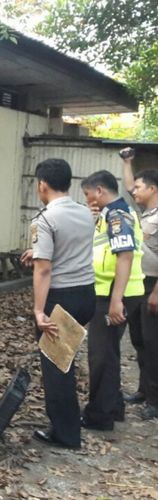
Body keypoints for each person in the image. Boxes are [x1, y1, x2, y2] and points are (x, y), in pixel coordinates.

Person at [21, 159, 95, 448]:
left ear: (43, 184)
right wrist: (36, 251)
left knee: (56, 368)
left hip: (61, 299)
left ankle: (66, 434)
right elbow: (69, 247)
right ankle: (69, 422)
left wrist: (39, 311)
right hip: (86, 295)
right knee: (66, 360)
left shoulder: (44, 219)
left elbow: (44, 270)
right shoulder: (85, 213)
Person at [80, 170, 144, 430]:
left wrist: (116, 300)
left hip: (115, 294)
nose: (87, 200)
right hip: (112, 291)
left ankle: (100, 416)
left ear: (99, 191)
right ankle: (114, 407)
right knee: (109, 353)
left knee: (101, 356)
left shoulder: (118, 214)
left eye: (87, 194)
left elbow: (125, 256)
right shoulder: (110, 214)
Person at [120, 149, 158, 420]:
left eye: (139, 188)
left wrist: (157, 292)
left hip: (154, 286)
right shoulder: (143, 214)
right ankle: (144, 391)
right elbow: (126, 186)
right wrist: (127, 163)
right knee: (139, 340)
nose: (134, 191)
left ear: (153, 189)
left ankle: (155, 401)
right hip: (138, 285)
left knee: (153, 342)